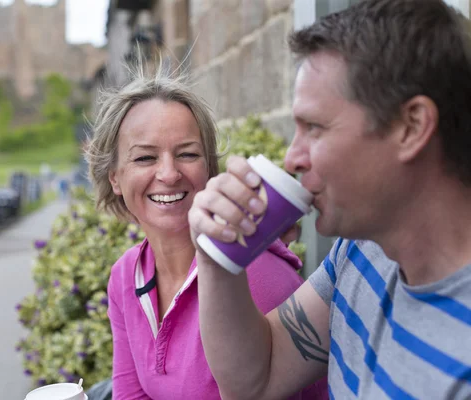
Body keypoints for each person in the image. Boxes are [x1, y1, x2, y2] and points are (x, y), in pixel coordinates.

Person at [188, 0, 471, 399]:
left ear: (412, 126)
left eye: (314, 128)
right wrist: (218, 259)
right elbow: (256, 380)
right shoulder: (361, 252)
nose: (292, 157)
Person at [86, 60, 328, 399]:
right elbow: (131, 394)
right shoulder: (126, 276)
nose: (169, 174)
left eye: (187, 154)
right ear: (114, 177)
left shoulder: (251, 273)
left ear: (208, 170)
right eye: (145, 158)